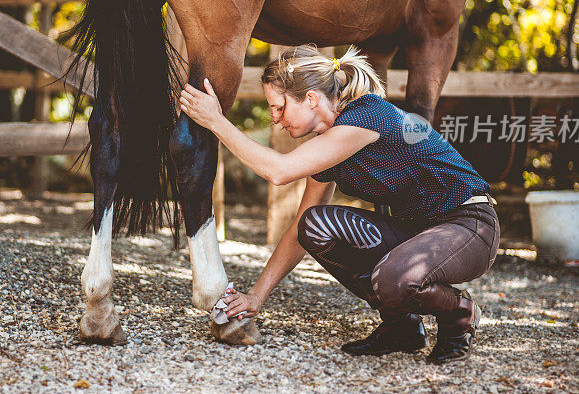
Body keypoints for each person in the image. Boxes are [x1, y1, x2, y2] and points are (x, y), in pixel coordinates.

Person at [178, 44, 500, 364]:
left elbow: (279, 171)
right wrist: (256, 297)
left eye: (279, 107)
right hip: (415, 232)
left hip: (469, 224)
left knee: (395, 280)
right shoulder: (329, 144)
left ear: (311, 99)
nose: (275, 120)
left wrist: (217, 122)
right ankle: (402, 327)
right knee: (314, 226)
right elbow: (299, 230)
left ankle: (460, 313)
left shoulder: (367, 117)